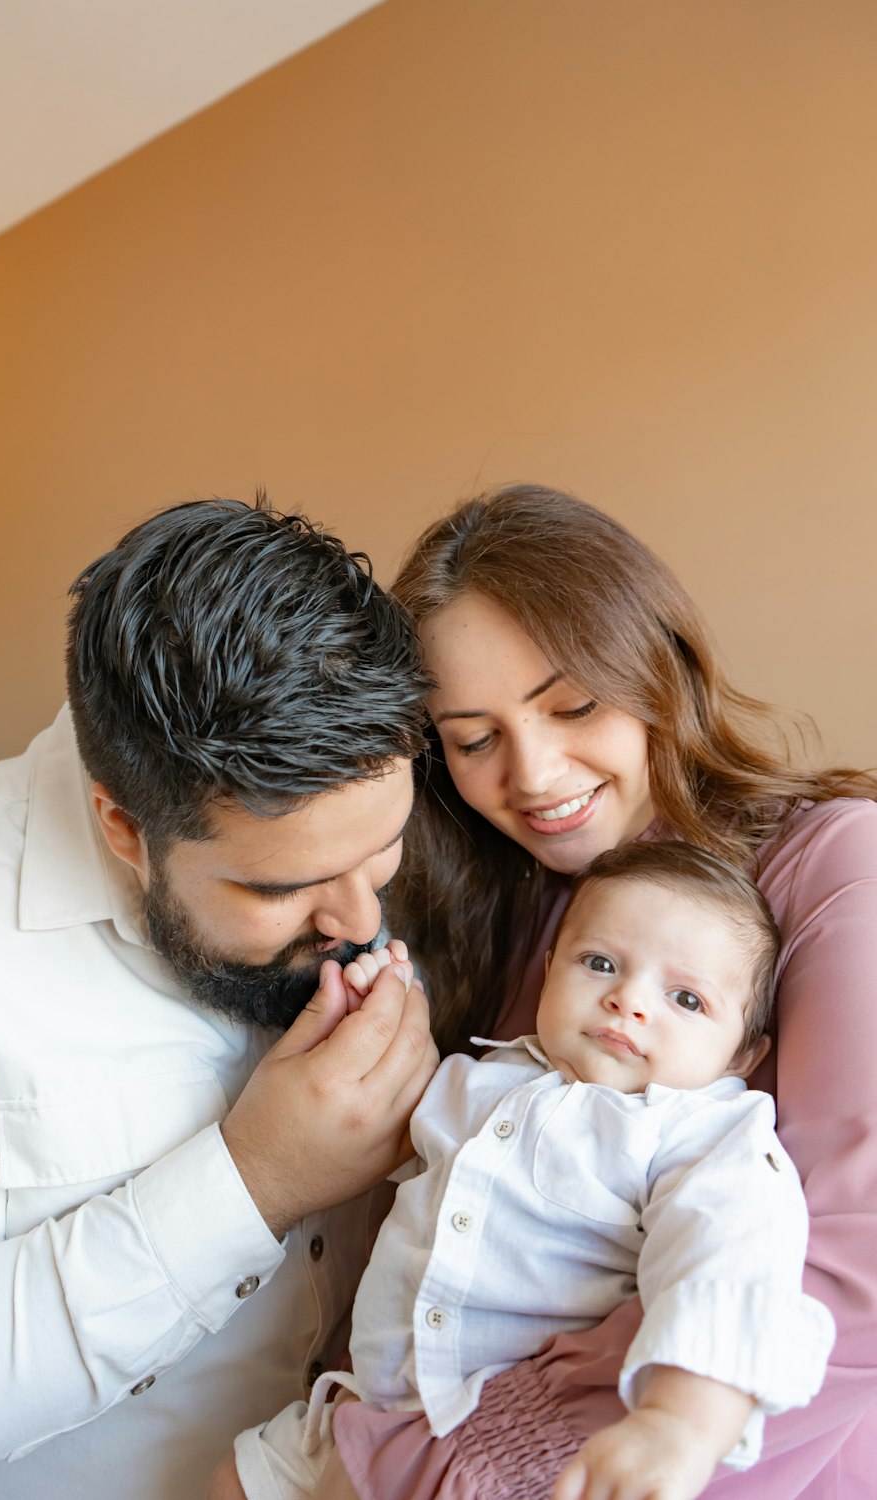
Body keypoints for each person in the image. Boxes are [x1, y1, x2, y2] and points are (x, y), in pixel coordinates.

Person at [0, 496, 439, 1500]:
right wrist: (253, 1181)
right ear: (124, 828)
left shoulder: (370, 816)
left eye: (381, 847)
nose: (359, 917)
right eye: (279, 887)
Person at [325, 484, 877, 1499]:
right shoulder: (508, 922)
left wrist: (486, 1460)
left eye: (572, 706)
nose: (532, 775)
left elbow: (857, 1269)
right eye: (473, 737)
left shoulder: (832, 862)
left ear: (655, 665)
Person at [217, 841, 835, 1500]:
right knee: (239, 1479)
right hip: (368, 1409)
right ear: (548, 971)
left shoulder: (697, 1134)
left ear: (744, 1055)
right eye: (599, 964)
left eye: (685, 999)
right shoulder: (486, 1075)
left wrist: (677, 1424)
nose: (628, 1001)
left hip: (500, 1444)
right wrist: (374, 1015)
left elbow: (732, 1259)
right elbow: (390, 1124)